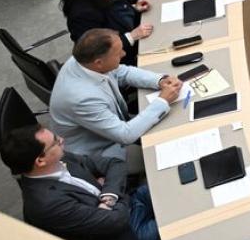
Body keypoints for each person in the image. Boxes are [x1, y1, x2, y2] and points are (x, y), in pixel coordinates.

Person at [3, 124, 162, 240]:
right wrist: (111, 188)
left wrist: (110, 195)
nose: (62, 140)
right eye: (55, 141)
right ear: (40, 161)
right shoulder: (46, 204)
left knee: (179, 186)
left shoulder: (60, 158)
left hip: (128, 203)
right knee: (183, 215)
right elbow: (115, 221)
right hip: (129, 236)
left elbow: (115, 164)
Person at [48, 29, 179, 162]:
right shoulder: (81, 99)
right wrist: (163, 100)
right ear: (99, 62)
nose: (124, 54)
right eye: (118, 53)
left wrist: (159, 80)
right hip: (99, 153)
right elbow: (125, 135)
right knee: (169, 148)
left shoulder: (85, 61)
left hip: (114, 127)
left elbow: (122, 72)